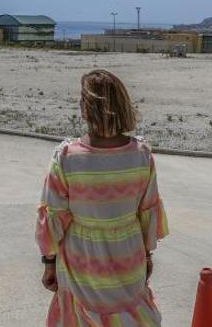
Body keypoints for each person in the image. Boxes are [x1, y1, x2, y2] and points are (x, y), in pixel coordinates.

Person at [36, 69, 169, 326]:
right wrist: (148, 256)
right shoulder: (141, 154)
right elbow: (147, 212)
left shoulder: (66, 157)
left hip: (82, 261)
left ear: (86, 109)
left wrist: (49, 262)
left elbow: (54, 216)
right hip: (128, 257)